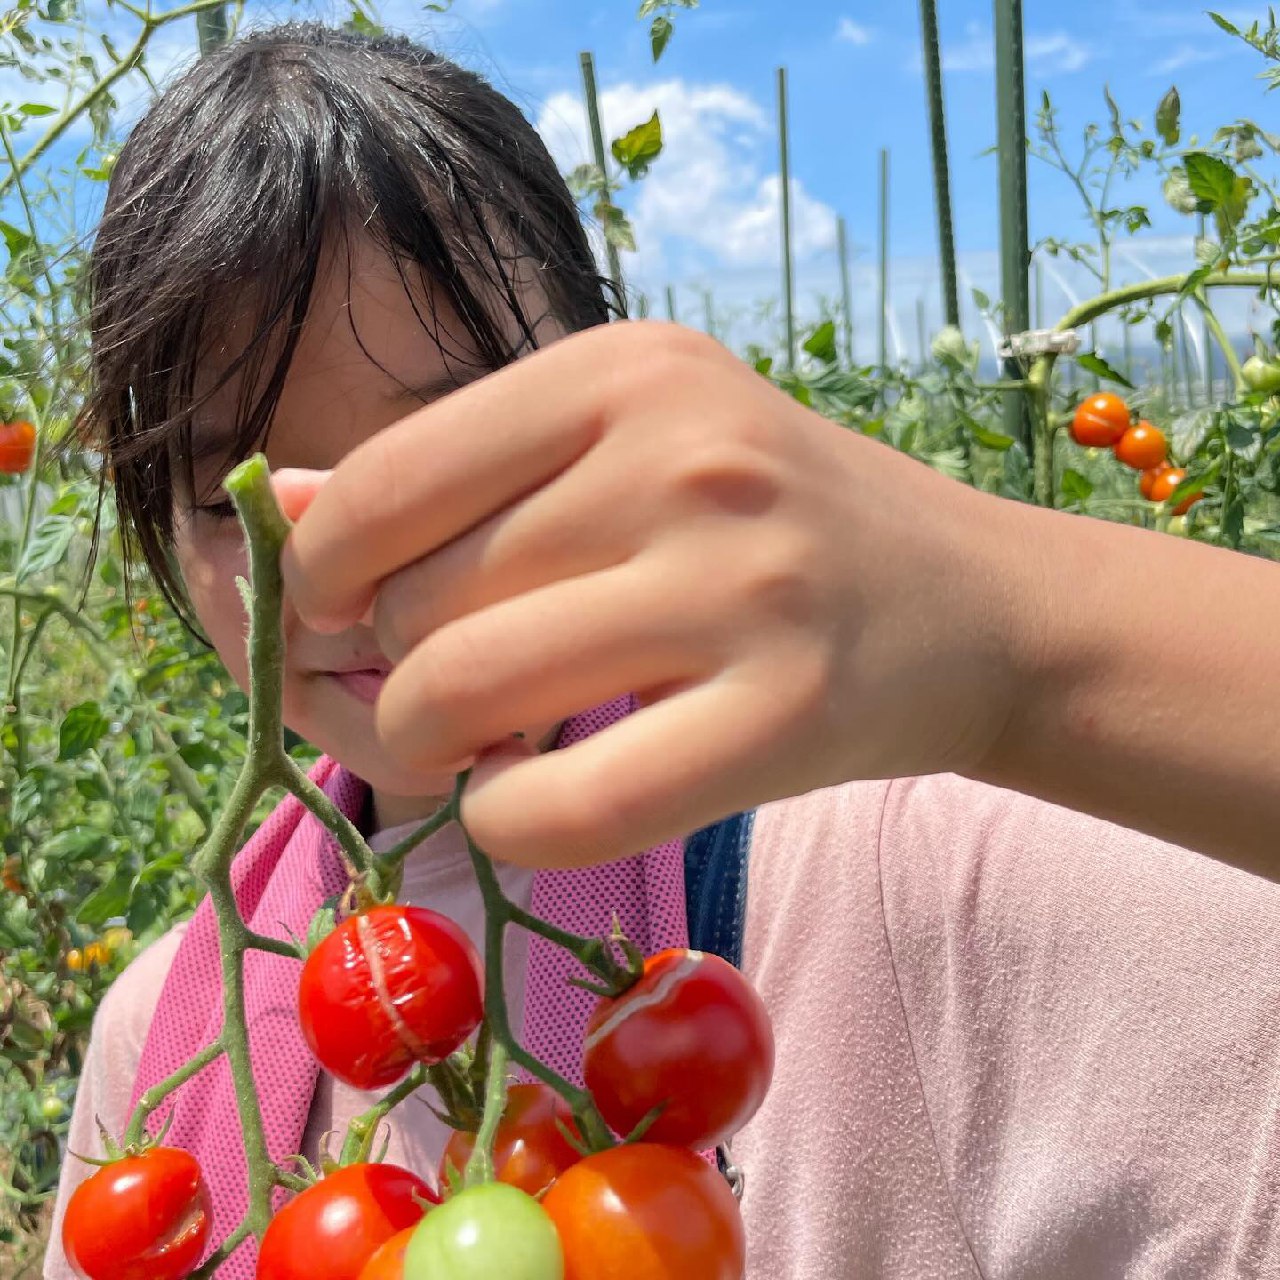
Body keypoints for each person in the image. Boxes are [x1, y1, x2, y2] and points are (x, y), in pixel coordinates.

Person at [46, 22, 1280, 1279]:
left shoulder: (899, 868)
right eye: (238, 499)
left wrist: (1008, 646)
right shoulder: (157, 1034)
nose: (356, 563)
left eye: (456, 452)